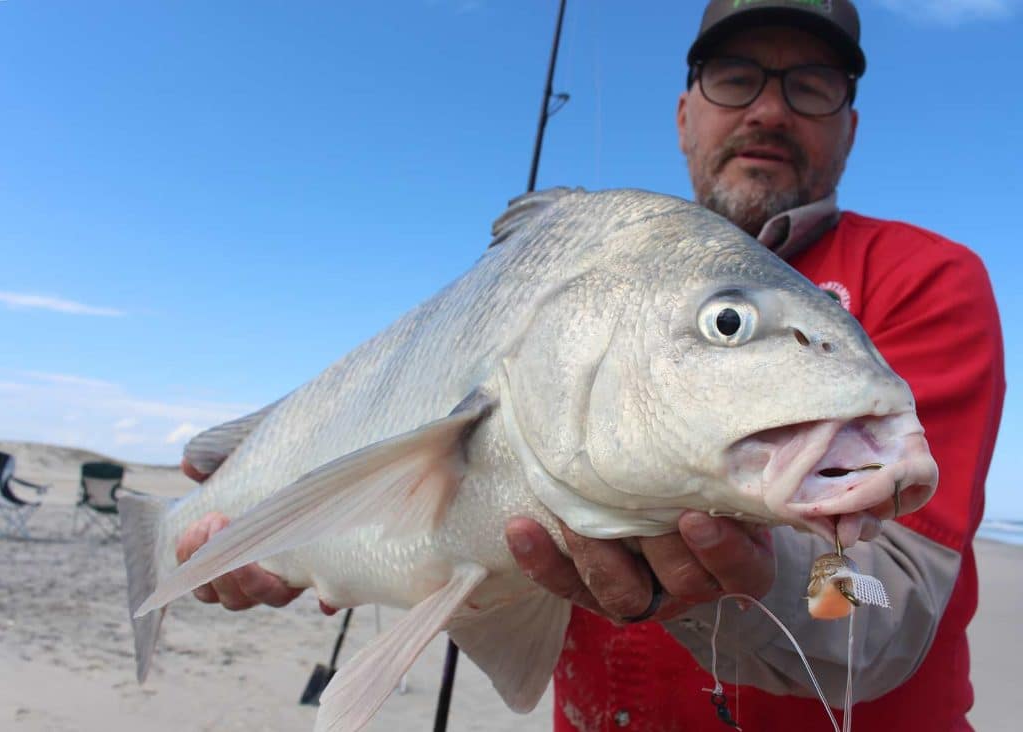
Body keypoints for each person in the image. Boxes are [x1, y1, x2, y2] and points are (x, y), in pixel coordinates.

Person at [177, 1, 1005, 729]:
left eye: (812, 84)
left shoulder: (924, 280)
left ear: (851, 126)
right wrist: (267, 535)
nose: (769, 110)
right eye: (735, 78)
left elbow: (885, 601)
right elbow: (471, 552)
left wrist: (766, 576)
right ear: (685, 114)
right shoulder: (599, 270)